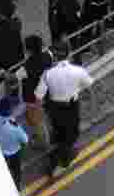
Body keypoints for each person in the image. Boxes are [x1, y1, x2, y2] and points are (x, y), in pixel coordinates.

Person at [34, 44, 94, 178]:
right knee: (71, 135)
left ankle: (60, 156)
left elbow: (38, 96)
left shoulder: (47, 74)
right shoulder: (78, 70)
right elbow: (90, 89)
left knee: (59, 134)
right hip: (72, 107)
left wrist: (40, 115)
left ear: (55, 57)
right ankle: (58, 162)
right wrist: (91, 106)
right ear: (69, 54)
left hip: (55, 109)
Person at [0, 2, 25, 114]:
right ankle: (14, 101)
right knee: (13, 83)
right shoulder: (16, 24)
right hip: (16, 61)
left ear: (2, 14)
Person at [16, 35, 53, 149]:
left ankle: (44, 144)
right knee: (47, 117)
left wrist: (2, 74)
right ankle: (51, 135)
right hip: (47, 93)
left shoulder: (27, 66)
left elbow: (14, 77)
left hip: (32, 98)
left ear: (29, 50)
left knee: (38, 123)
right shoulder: (48, 56)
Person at [0, 95, 28, 188]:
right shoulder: (15, 128)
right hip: (13, 152)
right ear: (10, 111)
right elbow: (25, 140)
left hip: (1, 149)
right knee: (16, 171)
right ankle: (17, 186)